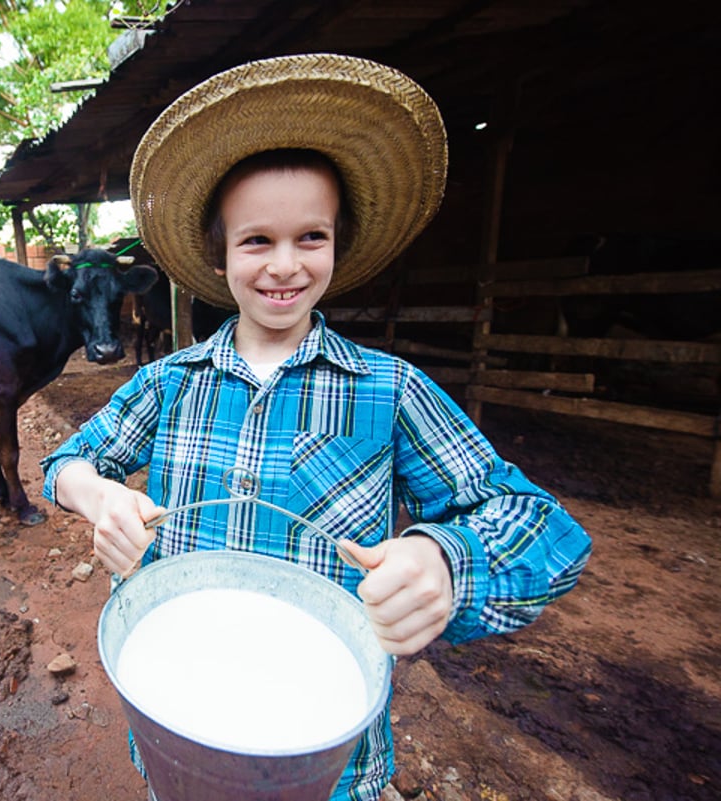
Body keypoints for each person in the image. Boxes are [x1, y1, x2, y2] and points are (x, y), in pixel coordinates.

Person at [40, 53, 591, 801]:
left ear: (339, 244)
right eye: (256, 240)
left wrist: (443, 556)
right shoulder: (169, 383)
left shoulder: (389, 389)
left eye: (311, 238)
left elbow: (546, 529)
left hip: (325, 753)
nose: (284, 265)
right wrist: (95, 494)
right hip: (178, 713)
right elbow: (68, 459)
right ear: (220, 254)